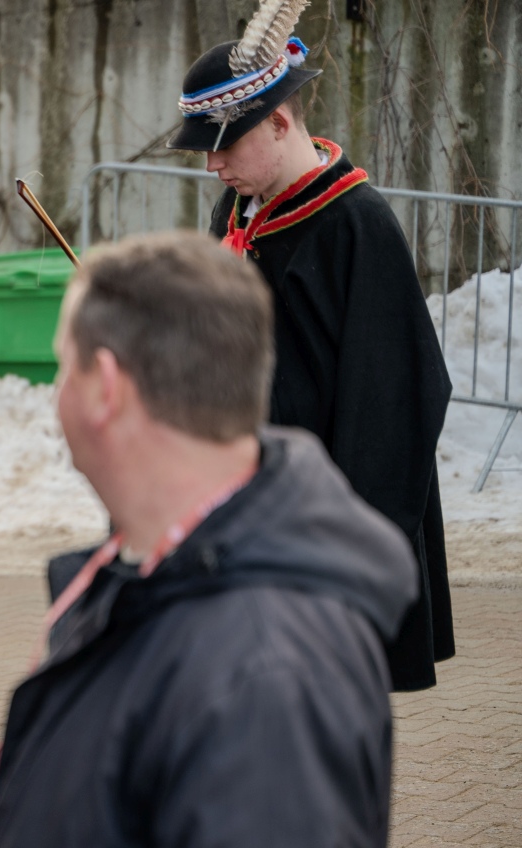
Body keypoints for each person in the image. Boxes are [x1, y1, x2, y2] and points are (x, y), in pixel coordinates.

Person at [0, 233, 418, 848]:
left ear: (106, 387)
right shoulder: (151, 582)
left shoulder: (262, 670)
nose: (56, 394)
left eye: (63, 365)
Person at [167, 1, 454, 690]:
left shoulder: (358, 226)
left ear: (279, 121)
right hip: (240, 505)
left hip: (318, 524)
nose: (213, 164)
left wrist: (348, 554)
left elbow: (398, 402)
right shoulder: (236, 210)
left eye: (225, 144)